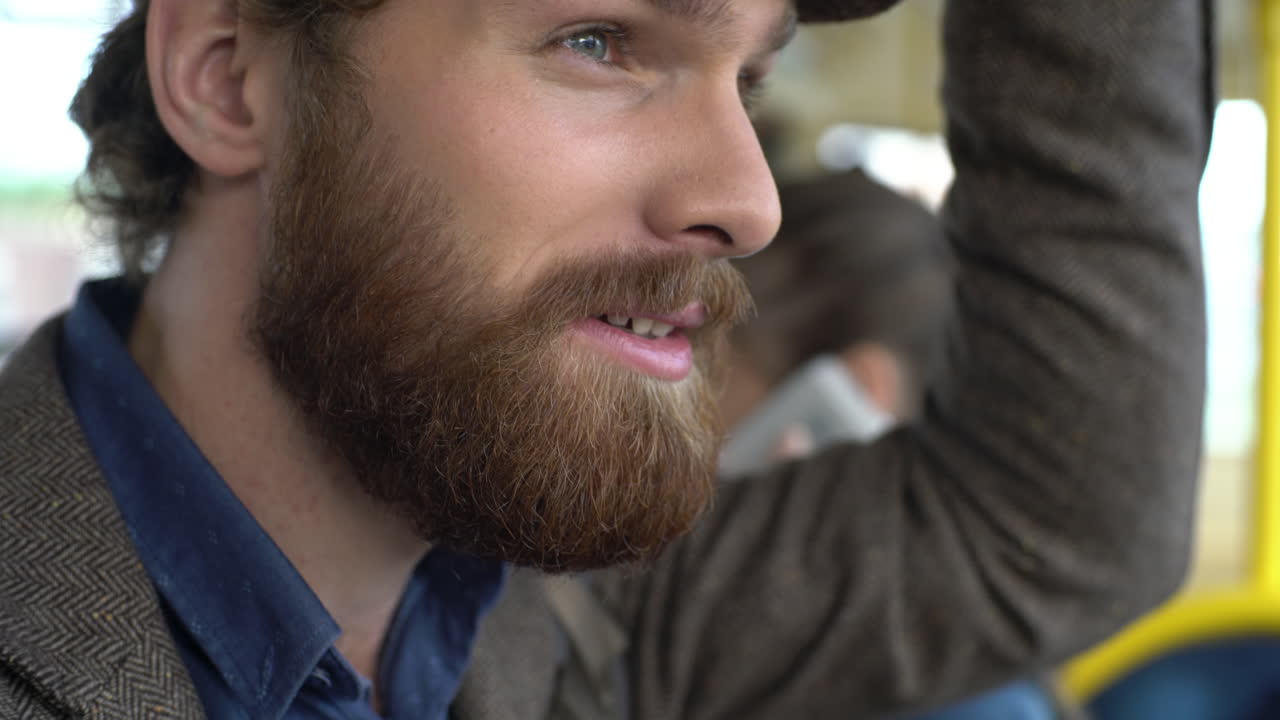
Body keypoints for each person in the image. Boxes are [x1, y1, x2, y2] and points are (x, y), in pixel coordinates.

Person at [0, 1, 1212, 720]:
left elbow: (1056, 516)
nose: (746, 199)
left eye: (747, 75)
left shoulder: (592, 612)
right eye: (598, 40)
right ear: (226, 77)